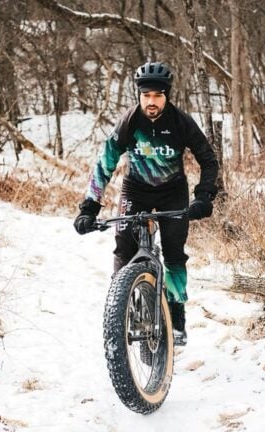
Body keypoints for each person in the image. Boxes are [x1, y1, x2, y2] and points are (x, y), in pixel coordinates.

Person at [73, 61, 220, 346]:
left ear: (167, 96)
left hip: (172, 190)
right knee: (123, 246)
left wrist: (203, 196)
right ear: (138, 95)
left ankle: (176, 315)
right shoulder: (130, 122)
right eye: (146, 96)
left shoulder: (181, 122)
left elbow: (208, 160)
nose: (151, 102)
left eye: (157, 95)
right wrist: (89, 207)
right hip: (136, 190)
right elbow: (105, 163)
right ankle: (120, 310)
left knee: (175, 252)